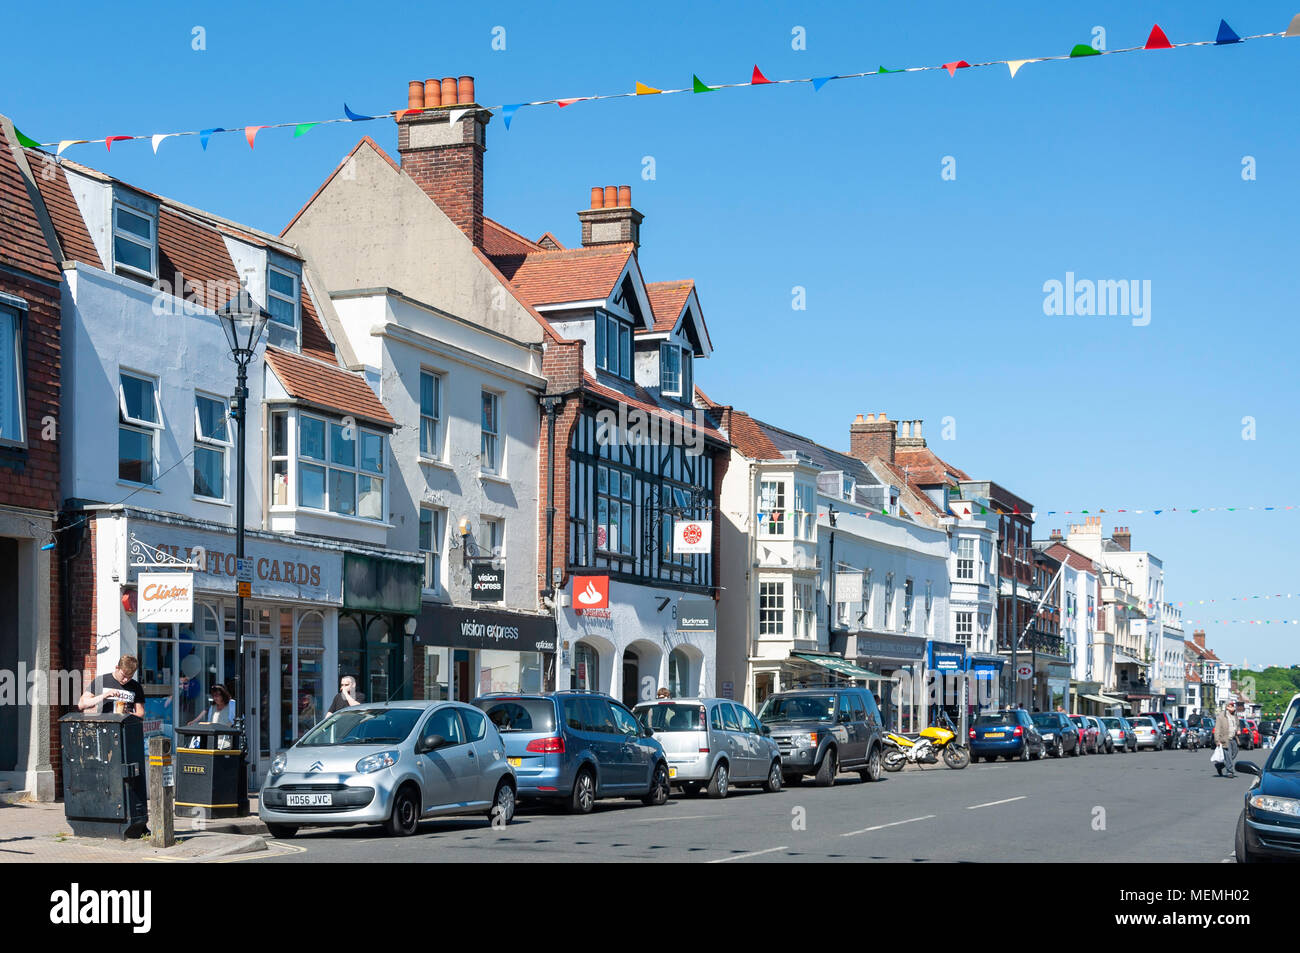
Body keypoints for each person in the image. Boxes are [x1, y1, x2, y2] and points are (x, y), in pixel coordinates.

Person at [78, 655, 145, 717]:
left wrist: (129, 715)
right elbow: (81, 704)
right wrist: (105, 695)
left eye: (130, 677)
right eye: (123, 675)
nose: (125, 680)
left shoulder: (136, 686)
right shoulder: (101, 680)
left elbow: (140, 713)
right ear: (117, 668)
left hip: (126, 727)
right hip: (105, 726)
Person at [1214, 702, 1238, 778]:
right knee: (1228, 755)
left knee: (1234, 753)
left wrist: (1238, 730)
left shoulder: (1234, 715)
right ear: (1227, 707)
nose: (1233, 707)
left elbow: (1237, 724)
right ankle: (1230, 771)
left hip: (1233, 738)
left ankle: (1220, 766)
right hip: (1225, 739)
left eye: (1233, 706)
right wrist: (1217, 740)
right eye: (1231, 706)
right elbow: (1217, 729)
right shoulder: (1221, 716)